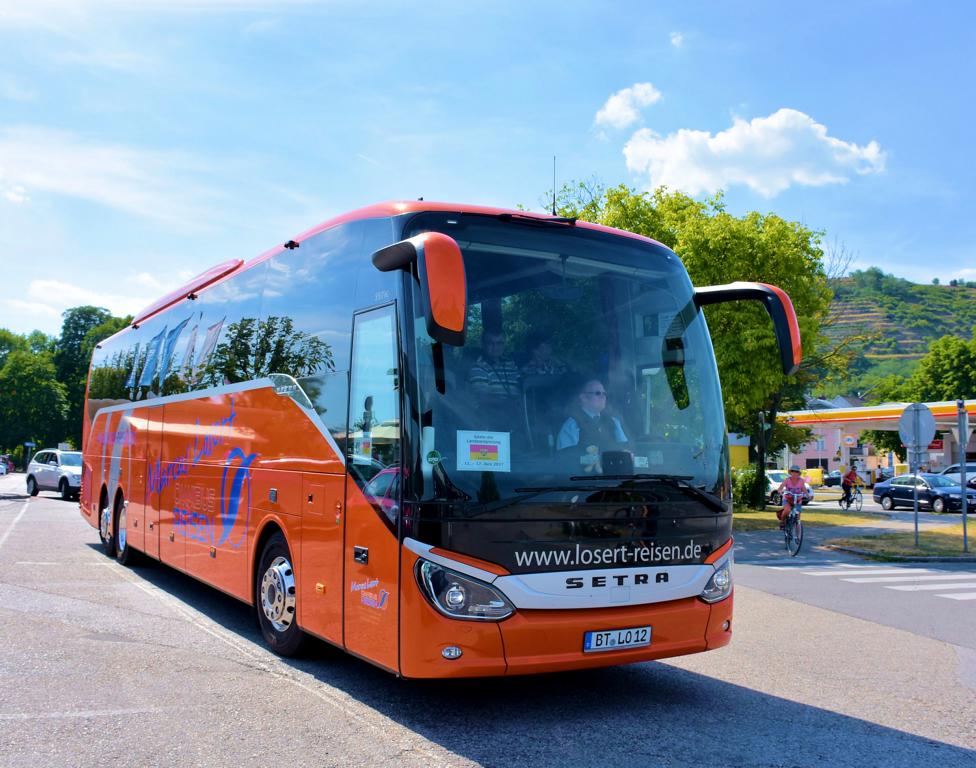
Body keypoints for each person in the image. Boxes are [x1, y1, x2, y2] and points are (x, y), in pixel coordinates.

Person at [556, 378, 628, 472]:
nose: (603, 397)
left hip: (615, 477)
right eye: (598, 393)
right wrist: (591, 460)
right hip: (584, 479)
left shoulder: (614, 422)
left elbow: (625, 450)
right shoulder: (571, 425)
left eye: (604, 393)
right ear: (584, 398)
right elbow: (565, 459)